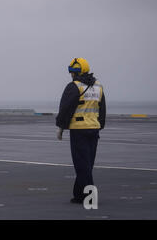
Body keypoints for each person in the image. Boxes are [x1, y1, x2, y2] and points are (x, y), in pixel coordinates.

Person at [56, 58, 106, 204]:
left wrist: (61, 127)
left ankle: (90, 196)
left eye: (73, 72)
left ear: (77, 73)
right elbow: (102, 110)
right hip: (94, 129)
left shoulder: (74, 87)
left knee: (81, 164)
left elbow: (65, 109)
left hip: (79, 130)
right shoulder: (98, 87)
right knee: (87, 163)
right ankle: (79, 194)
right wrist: (98, 126)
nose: (71, 75)